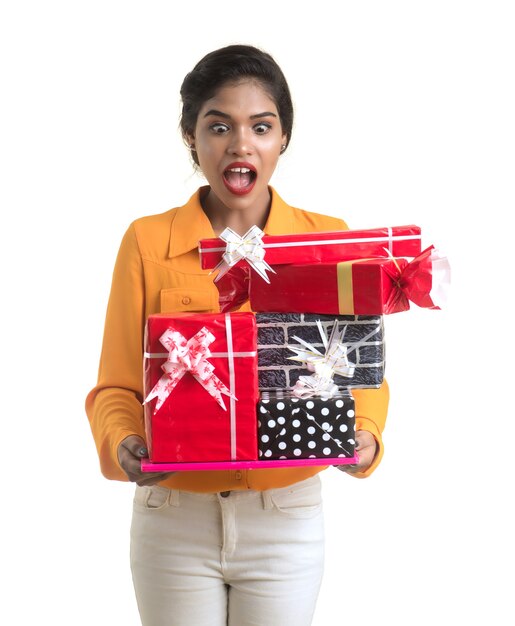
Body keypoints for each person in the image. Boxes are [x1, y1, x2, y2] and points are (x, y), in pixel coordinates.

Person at [86, 44, 389, 626]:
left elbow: (360, 367)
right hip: (173, 515)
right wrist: (123, 440)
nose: (240, 143)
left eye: (261, 126)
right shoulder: (147, 242)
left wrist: (367, 433)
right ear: (190, 136)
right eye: (218, 125)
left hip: (286, 516)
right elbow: (117, 385)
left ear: (283, 140)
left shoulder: (326, 241)